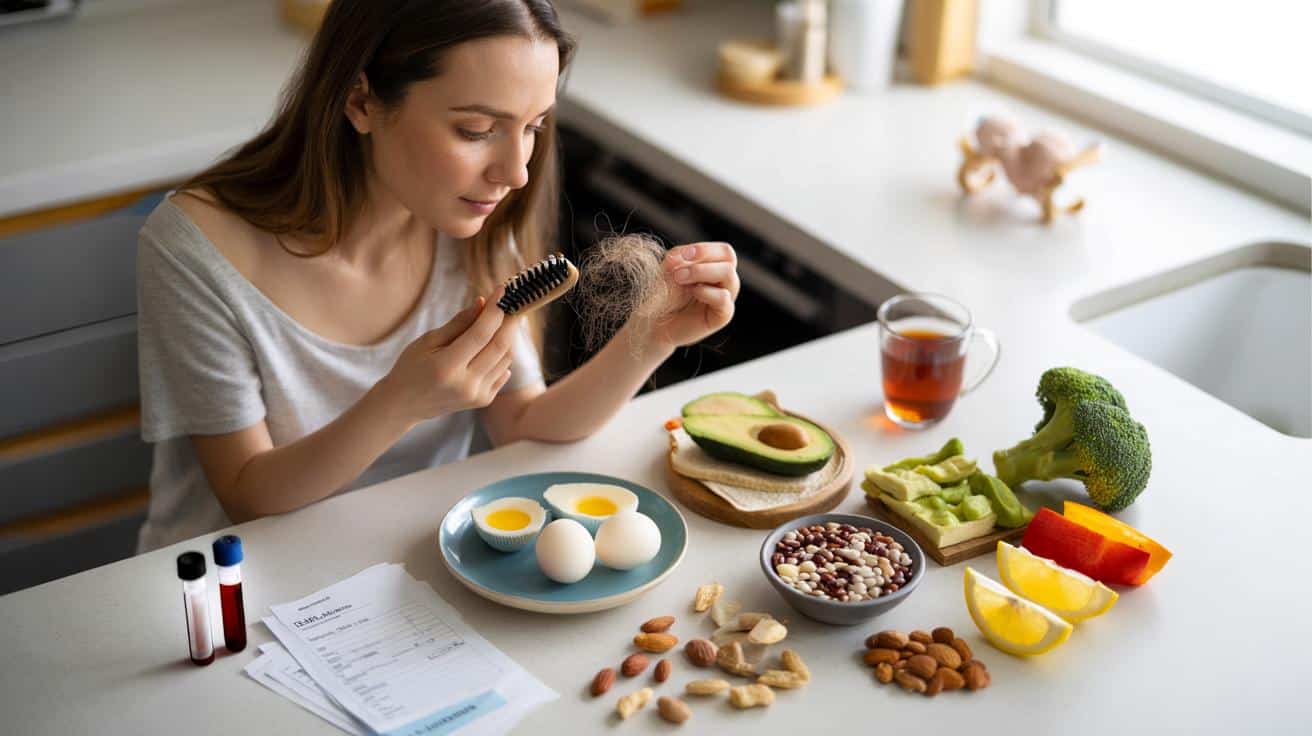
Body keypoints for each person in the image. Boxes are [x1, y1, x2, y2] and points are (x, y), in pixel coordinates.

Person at [134, 0, 740, 552]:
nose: (515, 173)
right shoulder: (196, 248)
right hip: (227, 590)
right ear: (361, 100)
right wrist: (402, 400)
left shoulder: (472, 217)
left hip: (399, 566)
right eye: (476, 131)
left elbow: (523, 424)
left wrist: (653, 336)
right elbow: (249, 495)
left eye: (532, 127)